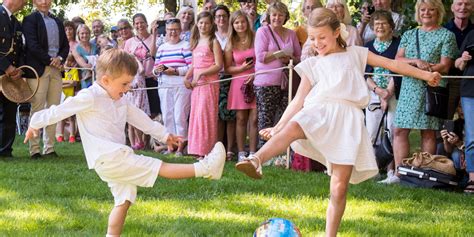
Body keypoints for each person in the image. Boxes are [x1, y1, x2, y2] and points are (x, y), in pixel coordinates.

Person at [235, 8, 441, 236]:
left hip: (347, 121)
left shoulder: (356, 53)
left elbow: (394, 65)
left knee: (339, 187)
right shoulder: (313, 64)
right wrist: (278, 126)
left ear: (336, 32)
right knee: (294, 126)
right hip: (319, 110)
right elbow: (297, 101)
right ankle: (256, 159)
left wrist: (426, 75)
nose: (317, 43)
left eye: (322, 37)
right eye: (313, 38)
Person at [23, 49, 226, 236]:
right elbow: (59, 110)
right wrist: (35, 123)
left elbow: (140, 118)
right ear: (105, 79)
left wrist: (165, 136)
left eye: (129, 84)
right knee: (159, 166)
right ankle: (206, 168)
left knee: (124, 200)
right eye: (124, 84)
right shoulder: (89, 96)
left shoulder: (120, 99)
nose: (128, 89)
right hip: (110, 157)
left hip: (111, 159)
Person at [386, 0, 459, 184]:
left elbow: (445, 65)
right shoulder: (410, 34)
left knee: (427, 132)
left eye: (431, 10)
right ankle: (400, 173)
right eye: (423, 9)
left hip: (431, 87)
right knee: (399, 130)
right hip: (409, 87)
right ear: (418, 13)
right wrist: (417, 62)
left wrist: (425, 69)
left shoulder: (446, 35)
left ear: (439, 12)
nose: (426, 13)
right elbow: (398, 59)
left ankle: (424, 174)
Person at [23, 0, 69, 159]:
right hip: (39, 68)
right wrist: (51, 60)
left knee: (54, 108)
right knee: (37, 108)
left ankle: (49, 148)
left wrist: (60, 58)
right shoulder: (30, 19)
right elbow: (32, 45)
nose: (44, 2)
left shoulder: (57, 21)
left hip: (56, 70)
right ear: (35, 1)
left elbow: (65, 45)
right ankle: (34, 149)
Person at [254, 1, 301, 148]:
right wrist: (278, 54)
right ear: (269, 16)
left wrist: (289, 58)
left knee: (284, 118)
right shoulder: (262, 31)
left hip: (287, 82)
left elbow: (299, 58)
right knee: (265, 119)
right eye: (274, 14)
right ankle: (262, 153)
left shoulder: (291, 34)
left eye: (281, 15)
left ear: (285, 17)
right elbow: (261, 56)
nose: (277, 18)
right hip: (266, 82)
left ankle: (280, 153)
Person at [363, 10, 400, 180]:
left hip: (394, 94)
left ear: (391, 26)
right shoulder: (368, 47)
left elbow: (397, 71)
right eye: (376, 24)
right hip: (374, 94)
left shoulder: (398, 45)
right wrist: (379, 92)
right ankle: (372, 171)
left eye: (384, 23)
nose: (380, 27)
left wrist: (387, 94)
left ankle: (391, 172)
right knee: (371, 132)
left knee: (391, 131)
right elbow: (366, 74)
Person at [185, 11, 223, 158]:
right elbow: (194, 64)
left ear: (211, 24)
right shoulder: (195, 41)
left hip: (209, 82)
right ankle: (196, 149)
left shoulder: (214, 41)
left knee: (205, 114)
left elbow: (218, 65)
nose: (203, 25)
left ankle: (206, 150)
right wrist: (186, 77)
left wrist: (202, 74)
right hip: (196, 84)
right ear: (197, 23)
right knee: (196, 115)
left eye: (207, 23)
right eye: (201, 22)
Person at [154, 18, 192, 156]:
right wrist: (159, 70)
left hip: (181, 84)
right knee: (167, 115)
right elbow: (154, 68)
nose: (173, 32)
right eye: (170, 30)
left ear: (180, 30)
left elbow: (191, 66)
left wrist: (175, 71)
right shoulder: (162, 48)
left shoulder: (186, 45)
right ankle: (171, 146)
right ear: (166, 31)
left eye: (175, 29)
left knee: (179, 116)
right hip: (164, 84)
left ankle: (181, 147)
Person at [224, 10, 258, 162]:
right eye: (236, 22)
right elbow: (227, 68)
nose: (240, 25)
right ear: (233, 25)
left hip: (256, 79)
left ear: (247, 22)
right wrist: (242, 69)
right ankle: (241, 152)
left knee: (255, 118)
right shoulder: (230, 42)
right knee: (241, 118)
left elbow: (263, 59)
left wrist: (255, 73)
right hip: (239, 82)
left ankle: (253, 152)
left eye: (242, 21)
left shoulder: (256, 37)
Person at [123, 13, 157, 150]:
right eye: (136, 23)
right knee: (135, 111)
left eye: (142, 22)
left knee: (151, 112)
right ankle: (139, 142)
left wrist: (154, 36)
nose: (139, 25)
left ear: (146, 23)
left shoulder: (153, 38)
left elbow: (154, 54)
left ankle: (147, 141)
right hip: (136, 81)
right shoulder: (129, 42)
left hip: (150, 78)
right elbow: (125, 62)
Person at [0, 0, 27, 159]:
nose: (24, 2)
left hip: (11, 77)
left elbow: (20, 49)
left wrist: (19, 69)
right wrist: (7, 67)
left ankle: (5, 151)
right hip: (3, 71)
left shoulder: (16, 22)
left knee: (9, 113)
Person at [213, 5, 236, 160]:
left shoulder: (233, 35)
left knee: (231, 114)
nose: (221, 19)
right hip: (215, 79)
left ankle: (230, 149)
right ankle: (218, 148)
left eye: (224, 16)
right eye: (218, 16)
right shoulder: (211, 36)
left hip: (231, 77)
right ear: (214, 19)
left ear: (228, 18)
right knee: (218, 115)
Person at [444, 0, 474, 119]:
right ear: (452, 7)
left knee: (470, 121)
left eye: (467, 4)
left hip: (471, 81)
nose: (463, 7)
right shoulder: (443, 30)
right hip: (449, 80)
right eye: (459, 4)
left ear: (472, 8)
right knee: (446, 120)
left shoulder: (473, 32)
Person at [454, 26, 474, 194]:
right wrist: (464, 59)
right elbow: (458, 65)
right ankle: (472, 178)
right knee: (472, 135)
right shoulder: (471, 34)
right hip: (470, 92)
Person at [57, 54, 79, 143]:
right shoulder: (61, 70)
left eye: (69, 61)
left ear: (72, 62)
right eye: (65, 60)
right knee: (62, 116)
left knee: (70, 117)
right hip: (62, 96)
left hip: (70, 97)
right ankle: (60, 135)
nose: (67, 62)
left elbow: (74, 83)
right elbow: (59, 83)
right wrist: (68, 82)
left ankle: (72, 135)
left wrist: (65, 83)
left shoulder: (74, 71)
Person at [72, 24, 97, 89]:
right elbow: (84, 65)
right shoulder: (75, 49)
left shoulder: (95, 46)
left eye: (87, 33)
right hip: (85, 78)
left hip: (97, 76)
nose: (85, 35)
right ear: (78, 35)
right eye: (82, 33)